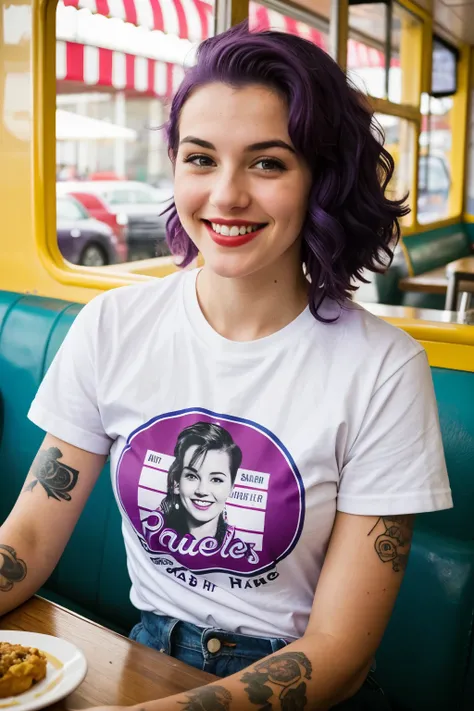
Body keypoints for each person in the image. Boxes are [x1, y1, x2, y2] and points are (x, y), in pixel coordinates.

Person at [0, 19, 452, 711]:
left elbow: (339, 648)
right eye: (201, 158)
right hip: (140, 651)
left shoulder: (385, 370)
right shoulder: (113, 327)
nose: (226, 195)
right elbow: (28, 534)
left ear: (320, 180)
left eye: (268, 162)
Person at [160, 421, 242, 543]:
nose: (202, 491)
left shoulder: (243, 552)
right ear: (177, 483)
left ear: (231, 487)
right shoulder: (153, 530)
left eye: (216, 479)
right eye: (192, 476)